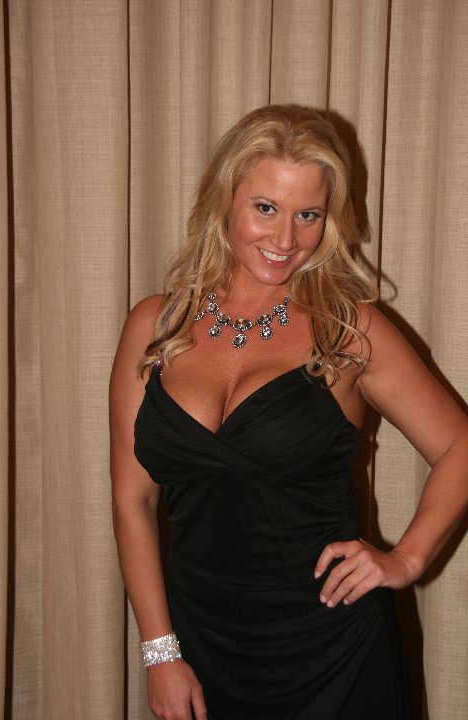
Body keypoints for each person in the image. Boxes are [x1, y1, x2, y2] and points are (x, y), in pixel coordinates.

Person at [109, 105, 468, 720]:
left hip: (336, 649)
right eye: (266, 208)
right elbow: (132, 502)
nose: (285, 240)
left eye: (309, 215)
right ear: (225, 200)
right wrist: (160, 652)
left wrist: (406, 558)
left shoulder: (346, 330)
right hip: (200, 644)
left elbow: (460, 446)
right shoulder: (155, 326)